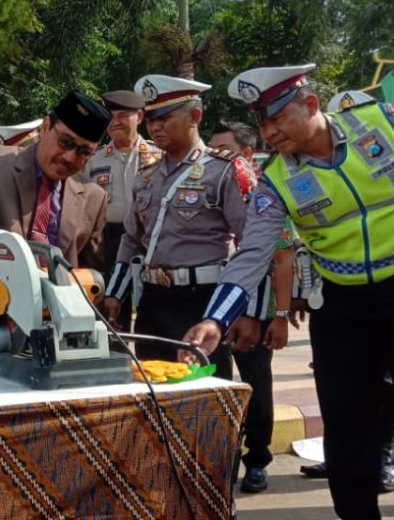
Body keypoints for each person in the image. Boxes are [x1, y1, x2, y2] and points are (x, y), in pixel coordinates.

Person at [182, 64, 394, 519]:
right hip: (342, 308)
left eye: (278, 117)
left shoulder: (387, 123)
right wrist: (215, 319)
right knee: (347, 430)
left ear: (312, 105)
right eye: (262, 123)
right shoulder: (275, 180)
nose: (270, 132)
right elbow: (252, 254)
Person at [102, 75, 254, 380]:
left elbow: (252, 246)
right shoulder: (147, 175)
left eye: (165, 118)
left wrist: (248, 311)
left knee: (203, 390)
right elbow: (132, 240)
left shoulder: (225, 170)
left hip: (202, 301)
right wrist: (115, 294)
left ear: (194, 116)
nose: (155, 127)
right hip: (153, 300)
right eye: (151, 119)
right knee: (151, 385)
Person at [297, 89, 394, 496]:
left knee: (390, 384)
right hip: (340, 296)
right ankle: (355, 461)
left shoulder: (389, 138)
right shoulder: (301, 170)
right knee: (346, 396)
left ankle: (387, 455)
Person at [0, 90, 110, 329]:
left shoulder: (93, 197)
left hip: (59, 326)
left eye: (84, 151)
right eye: (65, 142)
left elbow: (93, 273)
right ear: (45, 127)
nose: (69, 157)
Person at [209, 120, 298, 493]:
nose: (217, 157)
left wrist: (279, 315)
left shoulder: (268, 194)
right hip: (214, 308)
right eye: (213, 150)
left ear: (247, 154)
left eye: (225, 151)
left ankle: (257, 459)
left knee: (256, 385)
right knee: (215, 384)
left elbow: (282, 259)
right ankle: (220, 458)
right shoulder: (208, 190)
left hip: (255, 311)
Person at [89, 90, 162, 332]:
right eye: (110, 117)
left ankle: (149, 349)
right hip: (109, 241)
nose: (115, 122)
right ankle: (118, 351)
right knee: (111, 309)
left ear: (139, 116)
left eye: (122, 115)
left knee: (151, 305)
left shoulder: (159, 156)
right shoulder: (95, 159)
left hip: (150, 240)